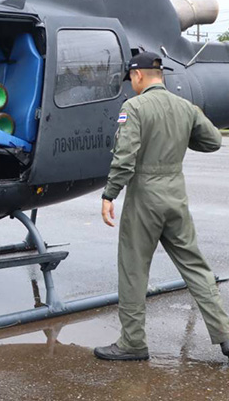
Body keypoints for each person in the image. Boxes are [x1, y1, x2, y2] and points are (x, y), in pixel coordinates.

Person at [95, 51, 229, 361]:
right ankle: (224, 333)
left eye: (131, 78)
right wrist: (182, 136)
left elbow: (125, 159)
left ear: (138, 75)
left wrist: (109, 194)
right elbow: (213, 141)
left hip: (145, 196)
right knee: (195, 266)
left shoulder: (135, 108)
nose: (131, 84)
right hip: (175, 194)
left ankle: (133, 343)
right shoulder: (185, 107)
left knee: (133, 269)